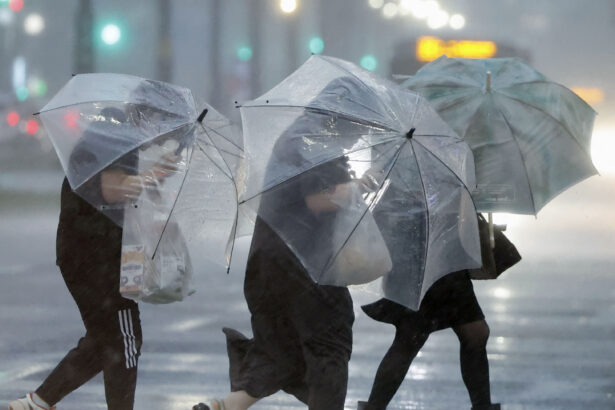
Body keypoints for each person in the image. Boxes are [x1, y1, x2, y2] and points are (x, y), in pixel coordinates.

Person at [8, 107, 179, 410]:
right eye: (161, 127)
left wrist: (154, 180)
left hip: (86, 253)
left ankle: (37, 403)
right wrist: (156, 173)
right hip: (96, 257)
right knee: (124, 338)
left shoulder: (111, 135)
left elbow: (115, 191)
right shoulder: (114, 138)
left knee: (104, 338)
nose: (160, 137)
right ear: (147, 118)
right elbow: (112, 190)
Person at [193, 110, 359, 410]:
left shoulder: (298, 137)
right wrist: (353, 190)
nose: (361, 135)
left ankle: (222, 408)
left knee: (279, 349)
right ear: (343, 118)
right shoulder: (317, 142)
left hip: (269, 261)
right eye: (359, 127)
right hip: (303, 263)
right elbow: (316, 199)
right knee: (329, 346)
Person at [357, 214, 509, 410]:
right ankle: (375, 406)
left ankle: (482, 406)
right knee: (412, 337)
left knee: (472, 333)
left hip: (443, 256)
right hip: (421, 257)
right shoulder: (411, 186)